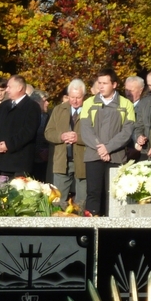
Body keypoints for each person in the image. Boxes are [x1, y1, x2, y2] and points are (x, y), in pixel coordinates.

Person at [80, 68, 135, 216]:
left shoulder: (126, 104)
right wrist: (100, 148)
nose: (101, 86)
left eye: (105, 83)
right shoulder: (89, 103)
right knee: (93, 192)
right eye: (99, 83)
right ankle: (92, 223)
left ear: (114, 85)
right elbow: (85, 129)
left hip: (116, 157)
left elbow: (127, 132)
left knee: (114, 195)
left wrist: (108, 148)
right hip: (93, 155)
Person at [44, 79, 88, 208]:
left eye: (78, 97)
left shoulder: (90, 110)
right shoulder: (59, 109)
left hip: (83, 161)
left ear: (84, 96)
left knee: (82, 203)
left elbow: (97, 136)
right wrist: (61, 136)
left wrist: (78, 138)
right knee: (57, 201)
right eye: (72, 97)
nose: (75, 101)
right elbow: (48, 132)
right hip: (62, 161)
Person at [0, 75, 42, 178]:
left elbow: (28, 132)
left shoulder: (32, 106)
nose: (7, 90)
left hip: (21, 163)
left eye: (9, 87)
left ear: (19, 88)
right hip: (3, 161)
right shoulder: (4, 106)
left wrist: (8, 145)